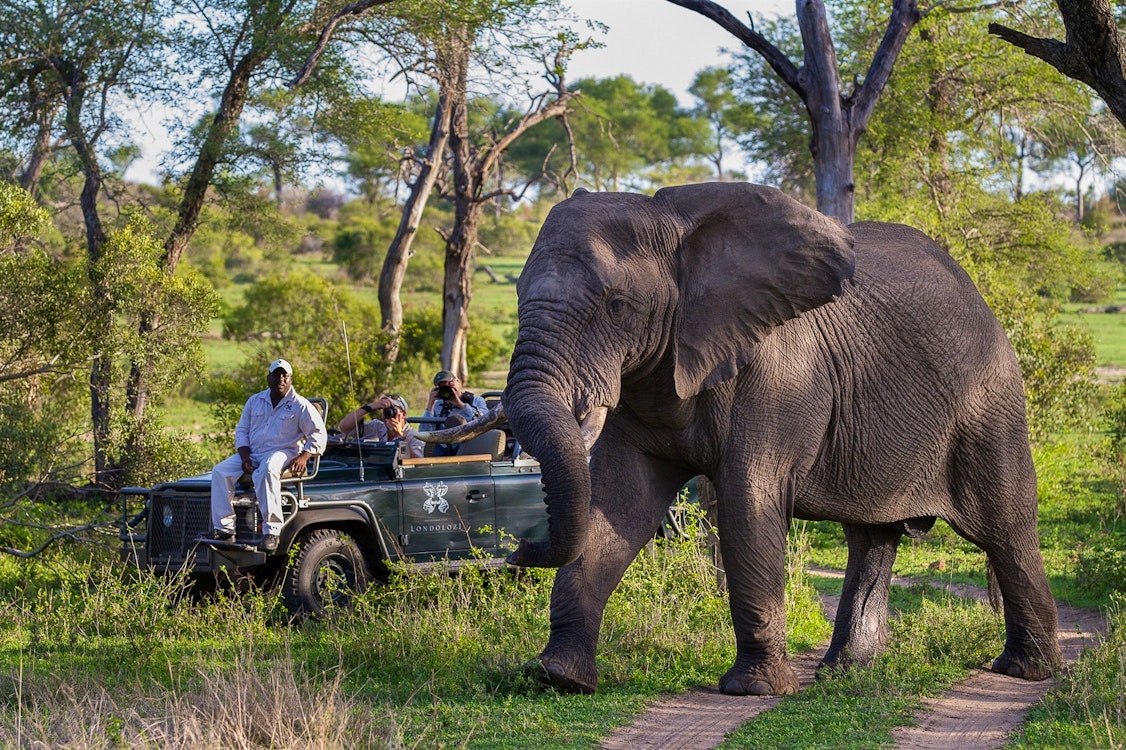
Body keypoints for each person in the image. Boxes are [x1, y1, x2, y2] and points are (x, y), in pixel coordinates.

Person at [210, 358, 327, 550]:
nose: (281, 379)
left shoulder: (300, 405)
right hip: (254, 452)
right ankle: (225, 531)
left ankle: (271, 531)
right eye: (277, 375)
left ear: (290, 379)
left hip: (284, 451)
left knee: (267, 469)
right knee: (219, 471)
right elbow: (242, 431)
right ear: (268, 378)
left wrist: (304, 456)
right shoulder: (255, 401)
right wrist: (245, 457)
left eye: (285, 375)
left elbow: (318, 434)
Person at [336, 393, 424, 458]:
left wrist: (401, 438)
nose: (388, 414)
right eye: (385, 411)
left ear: (403, 414)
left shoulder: (414, 436)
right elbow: (344, 427)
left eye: (393, 410)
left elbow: (416, 464)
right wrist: (370, 407)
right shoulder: (377, 427)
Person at [422, 370, 488, 456]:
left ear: (458, 381)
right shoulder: (438, 405)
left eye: (450, 384)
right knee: (433, 449)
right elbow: (424, 432)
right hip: (443, 446)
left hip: (468, 443)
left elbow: (485, 422)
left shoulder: (477, 401)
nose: (449, 389)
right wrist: (430, 405)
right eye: (443, 388)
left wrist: (460, 405)